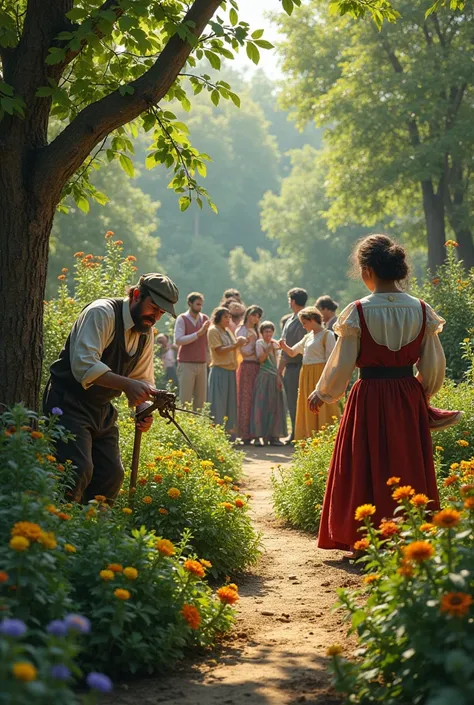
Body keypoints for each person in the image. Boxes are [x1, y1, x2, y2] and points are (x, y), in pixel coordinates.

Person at [308, 234, 449, 553]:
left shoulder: (358, 311)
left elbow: (342, 364)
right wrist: (421, 395)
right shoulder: (421, 310)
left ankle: (366, 537)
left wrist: (324, 392)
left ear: (367, 270)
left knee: (365, 462)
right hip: (407, 394)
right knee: (406, 459)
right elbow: (433, 365)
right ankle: (409, 534)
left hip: (369, 394)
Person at [43, 273, 179, 504]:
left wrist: (143, 408)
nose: (155, 317)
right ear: (136, 295)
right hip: (67, 402)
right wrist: (127, 385)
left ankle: (96, 535)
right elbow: (83, 365)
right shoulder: (101, 313)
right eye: (153, 308)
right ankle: (61, 528)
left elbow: (142, 378)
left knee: (112, 475)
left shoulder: (146, 333)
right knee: (76, 470)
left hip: (101, 410)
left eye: (161, 313)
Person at [280, 307, 340, 440]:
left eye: (305, 323)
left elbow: (331, 359)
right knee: (307, 406)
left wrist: (328, 380)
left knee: (322, 405)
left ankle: (325, 438)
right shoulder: (308, 337)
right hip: (306, 373)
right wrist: (283, 346)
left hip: (320, 374)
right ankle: (308, 437)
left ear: (313, 320)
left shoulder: (327, 335)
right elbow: (292, 352)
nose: (303, 326)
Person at [207, 307, 247, 435]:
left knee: (230, 404)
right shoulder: (213, 331)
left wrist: (241, 343)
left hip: (230, 370)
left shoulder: (227, 331)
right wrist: (236, 345)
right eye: (225, 317)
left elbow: (233, 348)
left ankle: (230, 434)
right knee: (218, 404)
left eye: (229, 317)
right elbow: (218, 350)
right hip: (219, 370)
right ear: (218, 317)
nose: (228, 320)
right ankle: (217, 434)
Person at [250, 321, 288, 446]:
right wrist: (268, 349)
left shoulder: (275, 344)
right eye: (266, 331)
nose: (268, 334)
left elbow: (280, 360)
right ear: (262, 333)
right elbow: (261, 359)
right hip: (264, 377)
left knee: (275, 406)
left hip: (274, 377)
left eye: (270, 331)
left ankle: (274, 436)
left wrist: (279, 376)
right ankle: (257, 436)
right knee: (261, 405)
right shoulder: (260, 343)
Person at [279, 287, 308, 443]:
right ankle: (296, 433)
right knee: (291, 401)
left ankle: (300, 434)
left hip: (298, 364)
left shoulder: (303, 319)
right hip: (290, 365)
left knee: (297, 401)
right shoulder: (291, 319)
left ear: (293, 301)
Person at [174, 292, 210, 411]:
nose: (200, 307)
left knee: (201, 400)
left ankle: (198, 427)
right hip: (186, 363)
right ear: (190, 303)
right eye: (197, 304)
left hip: (202, 363)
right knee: (185, 399)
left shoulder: (204, 319)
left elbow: (207, 341)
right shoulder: (182, 319)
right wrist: (197, 334)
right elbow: (178, 340)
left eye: (201, 305)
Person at [236, 305, 263, 444]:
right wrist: (253, 345)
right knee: (245, 399)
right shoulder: (242, 330)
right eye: (254, 315)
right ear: (248, 315)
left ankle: (256, 432)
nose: (256, 318)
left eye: (258, 316)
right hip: (246, 366)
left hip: (257, 367)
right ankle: (245, 434)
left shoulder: (257, 331)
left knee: (256, 400)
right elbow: (243, 351)